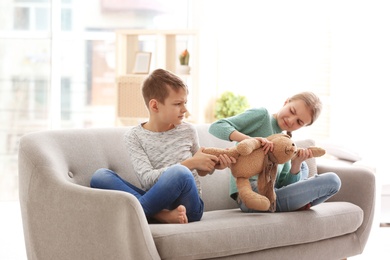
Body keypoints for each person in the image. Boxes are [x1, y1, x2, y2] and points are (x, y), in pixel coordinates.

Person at [90, 68, 235, 224]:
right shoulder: (134, 137)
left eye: (185, 102)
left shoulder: (188, 130)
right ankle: (161, 215)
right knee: (100, 176)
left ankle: (144, 213)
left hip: (189, 207)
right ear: (155, 106)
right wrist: (190, 163)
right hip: (156, 200)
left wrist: (210, 165)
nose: (185, 109)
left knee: (181, 173)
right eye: (178, 104)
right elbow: (147, 180)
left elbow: (197, 171)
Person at [209, 91, 341, 212]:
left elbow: (285, 185)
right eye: (292, 111)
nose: (290, 120)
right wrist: (252, 140)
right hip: (251, 194)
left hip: (273, 193)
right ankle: (300, 204)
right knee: (333, 181)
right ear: (286, 102)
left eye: (299, 122)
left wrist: (296, 165)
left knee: (303, 166)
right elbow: (217, 126)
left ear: (304, 126)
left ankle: (301, 204)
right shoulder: (262, 116)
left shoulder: (286, 144)